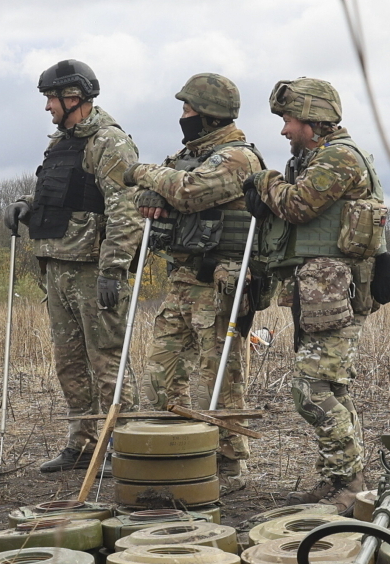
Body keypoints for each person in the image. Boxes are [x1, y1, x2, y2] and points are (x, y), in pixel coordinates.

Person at [242, 77, 390, 508]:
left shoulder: (339, 158)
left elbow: (296, 205)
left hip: (336, 292)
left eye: (289, 119)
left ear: (313, 119)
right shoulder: (315, 158)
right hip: (318, 291)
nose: (285, 129)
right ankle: (341, 478)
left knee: (311, 390)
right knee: (331, 387)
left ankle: (351, 482)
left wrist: (263, 182)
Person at [121, 73, 265, 490]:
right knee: (162, 372)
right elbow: (153, 194)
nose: (182, 117)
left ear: (207, 115)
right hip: (183, 279)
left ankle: (229, 462)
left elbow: (186, 193)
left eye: (188, 110)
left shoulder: (237, 158)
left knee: (220, 376)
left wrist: (145, 176)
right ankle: (173, 448)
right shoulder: (193, 154)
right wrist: (149, 193)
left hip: (220, 283)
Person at [3, 60, 142, 473]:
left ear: (74, 97)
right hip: (57, 266)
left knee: (107, 361)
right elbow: (58, 196)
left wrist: (113, 269)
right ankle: (82, 443)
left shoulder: (110, 143)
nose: (47, 106)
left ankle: (126, 444)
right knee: (68, 361)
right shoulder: (59, 144)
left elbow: (126, 211)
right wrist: (26, 206)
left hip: (92, 269)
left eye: (51, 98)